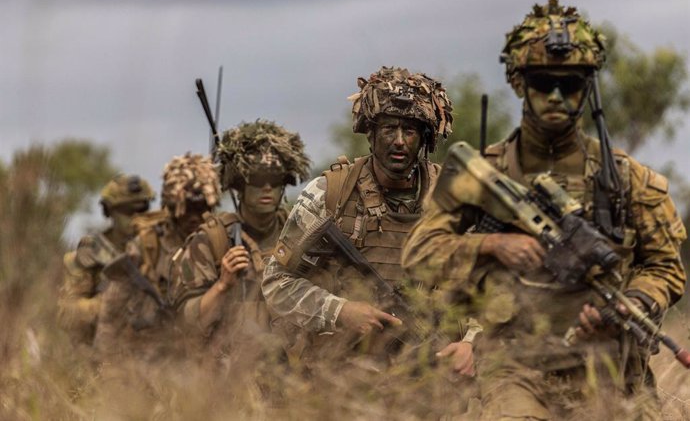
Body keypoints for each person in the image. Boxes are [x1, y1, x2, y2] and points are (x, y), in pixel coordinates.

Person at [402, 0, 687, 419]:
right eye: (542, 82)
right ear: (519, 83)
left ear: (586, 88)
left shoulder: (630, 179)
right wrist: (492, 245)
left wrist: (633, 301)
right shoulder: (481, 173)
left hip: (610, 370)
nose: (555, 95)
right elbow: (418, 257)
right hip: (516, 369)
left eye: (569, 84)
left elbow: (666, 266)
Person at [261, 66, 479, 370]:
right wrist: (340, 311)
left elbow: (490, 289)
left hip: (432, 378)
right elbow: (276, 283)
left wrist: (470, 343)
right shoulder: (329, 194)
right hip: (342, 379)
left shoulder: (453, 201)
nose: (399, 141)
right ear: (372, 134)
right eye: (389, 129)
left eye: (410, 130)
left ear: (425, 139)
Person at [172, 120, 310, 370]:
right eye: (257, 178)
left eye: (275, 179)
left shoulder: (301, 233)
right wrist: (222, 285)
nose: (267, 187)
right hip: (227, 379)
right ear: (239, 186)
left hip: (294, 377)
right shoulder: (212, 240)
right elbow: (185, 324)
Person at [93, 153, 221, 360]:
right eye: (187, 208)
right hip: (152, 355)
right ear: (171, 206)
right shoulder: (148, 245)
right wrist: (106, 370)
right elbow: (111, 314)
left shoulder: (220, 242)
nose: (194, 217)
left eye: (202, 208)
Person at [57, 174, 154, 346]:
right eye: (127, 212)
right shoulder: (89, 255)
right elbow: (66, 315)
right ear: (110, 212)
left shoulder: (157, 250)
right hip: (99, 356)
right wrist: (106, 304)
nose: (136, 219)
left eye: (142, 211)